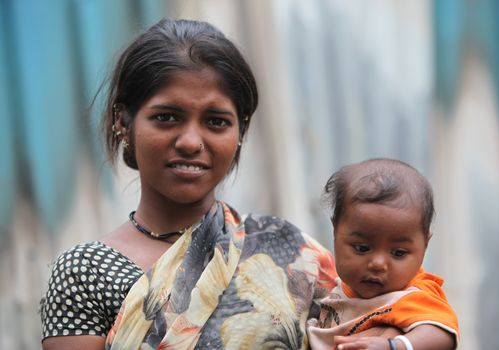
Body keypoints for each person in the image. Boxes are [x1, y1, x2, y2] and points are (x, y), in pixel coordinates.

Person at [39, 18, 452, 350]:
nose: (190, 141)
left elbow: (398, 319)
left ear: (240, 132)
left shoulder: (292, 255)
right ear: (123, 121)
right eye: (167, 116)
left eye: (216, 121)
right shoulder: (83, 272)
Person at [306, 158, 459, 350]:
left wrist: (394, 346)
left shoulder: (410, 296)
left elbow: (443, 334)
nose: (378, 263)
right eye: (362, 248)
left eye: (398, 253)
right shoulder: (328, 285)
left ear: (425, 245)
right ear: (335, 230)